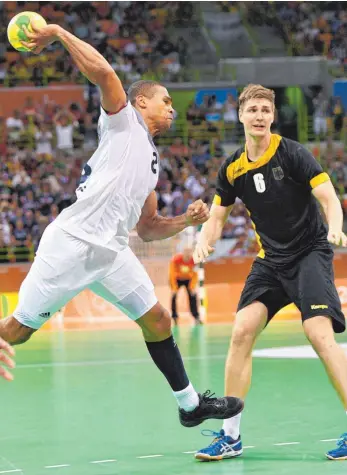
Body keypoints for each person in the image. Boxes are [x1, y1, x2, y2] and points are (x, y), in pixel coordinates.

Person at [0, 22, 244, 428]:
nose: (172, 108)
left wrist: (186, 219)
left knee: (159, 320)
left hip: (112, 253)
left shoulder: (151, 164)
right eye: (165, 100)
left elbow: (147, 228)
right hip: (73, 244)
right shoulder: (122, 120)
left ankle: (189, 406)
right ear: (141, 101)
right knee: (19, 331)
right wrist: (59, 33)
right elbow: (106, 74)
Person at [193, 84, 347, 461]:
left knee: (318, 333)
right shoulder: (232, 168)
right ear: (241, 115)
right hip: (271, 261)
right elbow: (217, 216)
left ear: (272, 116)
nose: (260, 116)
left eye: (266, 109)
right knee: (241, 331)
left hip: (309, 251)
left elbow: (328, 196)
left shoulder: (292, 153)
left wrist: (335, 225)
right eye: (253, 110)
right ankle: (230, 436)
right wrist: (204, 240)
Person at [169, 247, 201, 325]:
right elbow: (172, 274)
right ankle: (174, 317)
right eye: (186, 252)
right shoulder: (176, 260)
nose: (188, 255)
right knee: (173, 296)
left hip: (188, 280)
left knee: (193, 296)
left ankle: (196, 316)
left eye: (189, 252)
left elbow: (195, 275)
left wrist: (192, 287)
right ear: (183, 253)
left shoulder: (194, 261)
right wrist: (174, 287)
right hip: (177, 279)